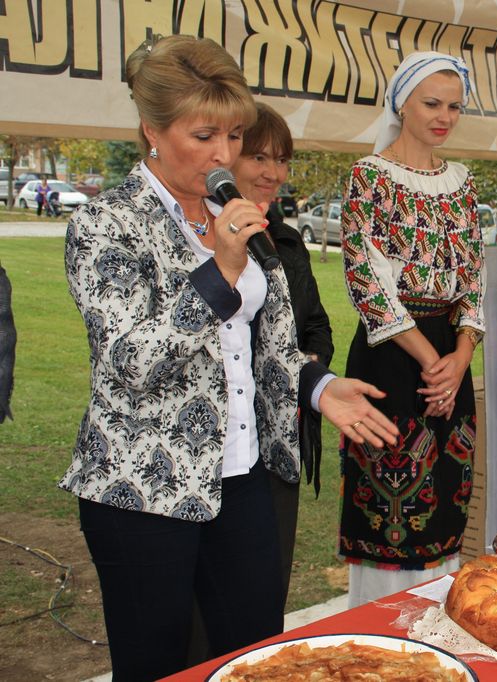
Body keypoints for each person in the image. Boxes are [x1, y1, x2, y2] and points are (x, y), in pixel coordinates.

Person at [61, 34, 397, 680]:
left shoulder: (235, 214)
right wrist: (218, 270)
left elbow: (265, 346)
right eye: (204, 135)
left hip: (243, 474)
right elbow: (131, 363)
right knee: (158, 664)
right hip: (142, 489)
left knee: (256, 657)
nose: (224, 155)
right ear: (152, 131)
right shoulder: (106, 224)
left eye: (235, 136)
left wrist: (319, 386)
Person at [338, 51, 483, 608]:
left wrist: (461, 357)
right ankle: (378, 629)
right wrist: (432, 362)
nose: (444, 117)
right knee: (389, 507)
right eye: (431, 104)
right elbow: (368, 282)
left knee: (443, 500)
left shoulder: (463, 183)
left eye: (454, 107)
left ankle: (433, 623)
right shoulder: (369, 177)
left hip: (450, 358)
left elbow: (473, 278)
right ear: (402, 104)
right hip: (392, 358)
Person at [231, 102, 334, 596]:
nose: (273, 174)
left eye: (282, 160)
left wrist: (309, 369)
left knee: (268, 584)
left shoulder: (287, 242)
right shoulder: (203, 240)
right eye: (259, 158)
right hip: (225, 441)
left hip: (280, 436)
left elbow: (316, 325)